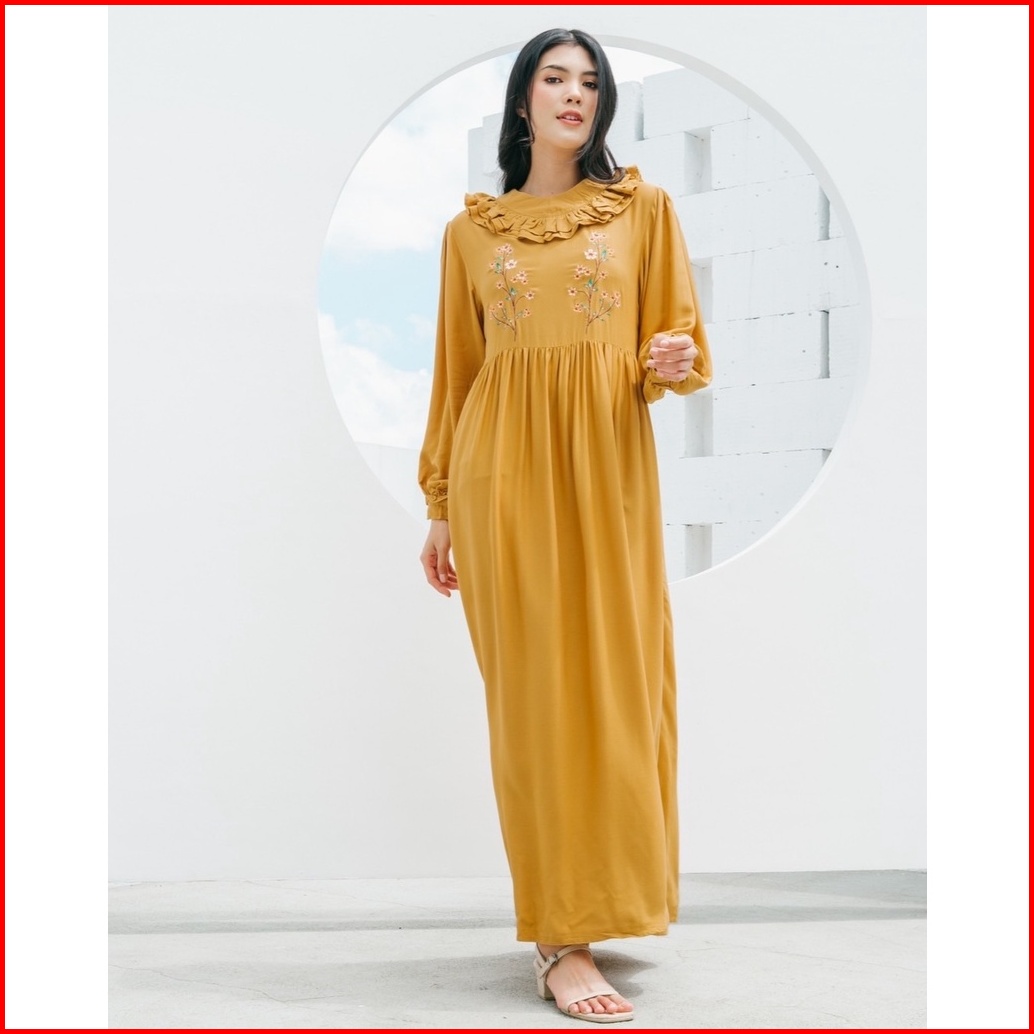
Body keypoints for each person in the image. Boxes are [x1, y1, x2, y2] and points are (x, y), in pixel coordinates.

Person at [418, 27, 712, 1023]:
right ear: (523, 100)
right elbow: (456, 376)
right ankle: (559, 936)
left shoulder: (643, 210)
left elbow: (673, 340)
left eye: (589, 81)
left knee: (622, 689)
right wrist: (440, 505)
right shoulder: (470, 234)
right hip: (498, 477)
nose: (573, 94)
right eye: (554, 78)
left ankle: (608, 896)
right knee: (534, 703)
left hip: (608, 469)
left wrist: (669, 359)